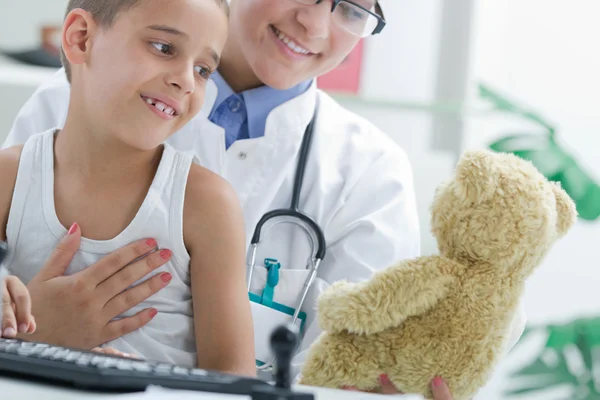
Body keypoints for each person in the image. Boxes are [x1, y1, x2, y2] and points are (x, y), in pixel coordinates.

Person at [4, 0, 526, 396]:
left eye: (351, 8)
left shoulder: (370, 174)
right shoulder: (67, 102)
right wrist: (30, 328)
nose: (314, 25)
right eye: (164, 49)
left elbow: (346, 372)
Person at [0, 0, 257, 377]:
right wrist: (22, 333)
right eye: (164, 47)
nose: (186, 80)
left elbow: (233, 383)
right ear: (81, 39)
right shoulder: (9, 177)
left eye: (204, 70)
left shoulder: (205, 206)